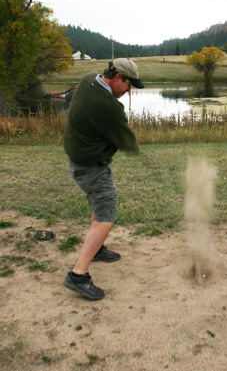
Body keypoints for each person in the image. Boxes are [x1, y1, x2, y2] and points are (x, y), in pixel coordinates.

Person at [63, 58, 144, 300]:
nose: (129, 91)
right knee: (106, 213)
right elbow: (127, 140)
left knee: (100, 207)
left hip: (79, 161)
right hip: (90, 168)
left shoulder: (89, 79)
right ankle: (78, 275)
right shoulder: (109, 106)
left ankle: (96, 249)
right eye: (129, 85)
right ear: (118, 77)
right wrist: (133, 146)